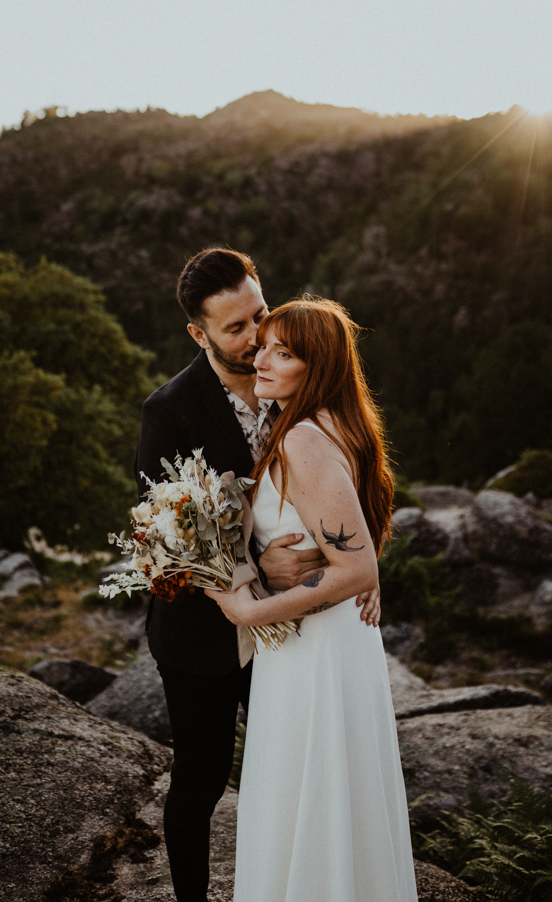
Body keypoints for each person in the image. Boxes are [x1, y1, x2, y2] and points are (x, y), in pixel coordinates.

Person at [135, 249, 381, 902]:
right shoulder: (170, 411)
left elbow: (349, 476)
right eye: (236, 329)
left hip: (297, 633)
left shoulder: (299, 380)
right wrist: (253, 568)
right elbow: (169, 535)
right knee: (202, 780)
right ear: (199, 334)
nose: (255, 340)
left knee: (295, 771)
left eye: (260, 315)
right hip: (204, 636)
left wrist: (362, 566)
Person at [207, 296, 418, 902]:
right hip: (327, 640)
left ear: (317, 367)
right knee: (329, 796)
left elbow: (356, 567)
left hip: (312, 647)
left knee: (309, 793)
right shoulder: (335, 424)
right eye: (263, 346)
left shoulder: (303, 437)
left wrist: (249, 609)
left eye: (283, 353)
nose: (261, 360)